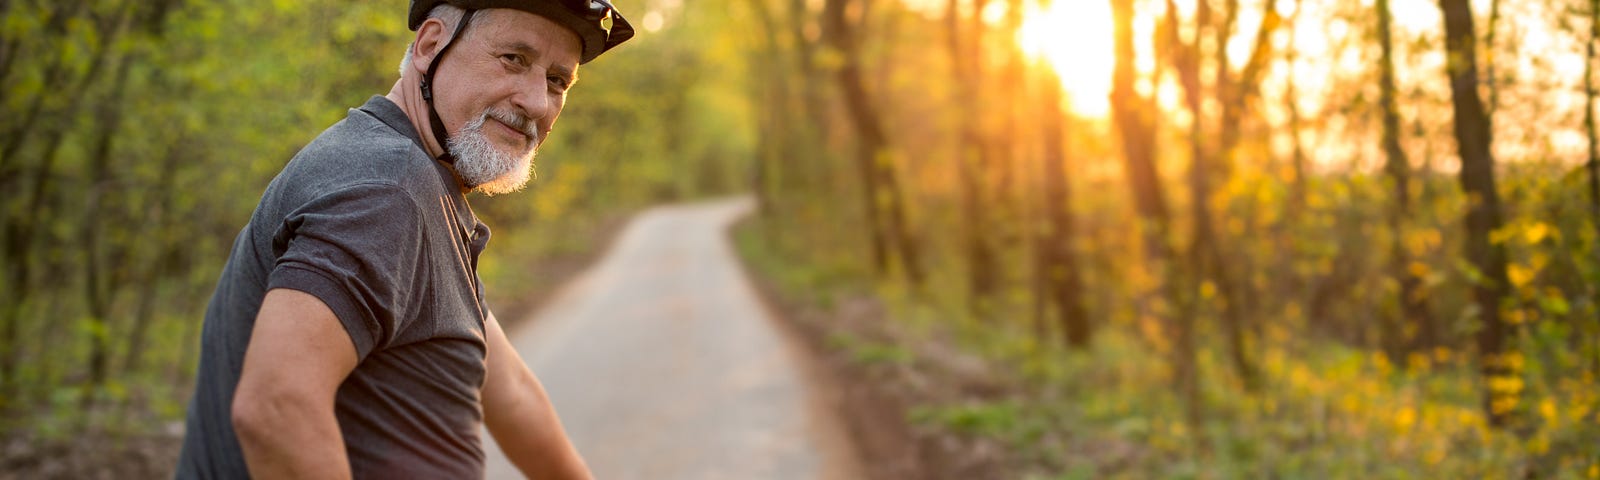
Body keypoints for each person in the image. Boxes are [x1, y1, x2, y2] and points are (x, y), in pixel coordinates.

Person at [174, 1, 633, 478]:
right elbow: (275, 408)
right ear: (430, 45)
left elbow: (509, 388)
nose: (536, 101)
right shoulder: (386, 189)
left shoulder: (418, 187)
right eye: (513, 59)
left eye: (557, 81)